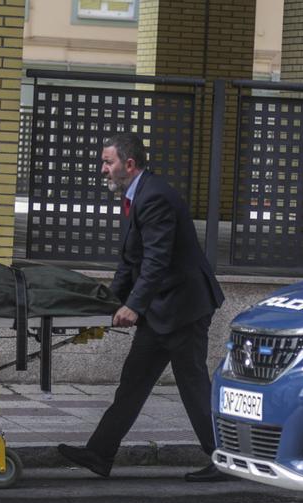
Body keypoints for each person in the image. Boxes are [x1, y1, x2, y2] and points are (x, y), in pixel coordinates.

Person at [58, 133, 229, 482]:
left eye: (108, 162)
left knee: (192, 385)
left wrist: (134, 306)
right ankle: (99, 453)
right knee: (134, 382)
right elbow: (131, 260)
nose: (103, 169)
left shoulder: (155, 198)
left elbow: (157, 260)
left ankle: (223, 460)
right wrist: (105, 301)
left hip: (183, 308)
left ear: (129, 164)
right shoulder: (138, 195)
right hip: (162, 308)